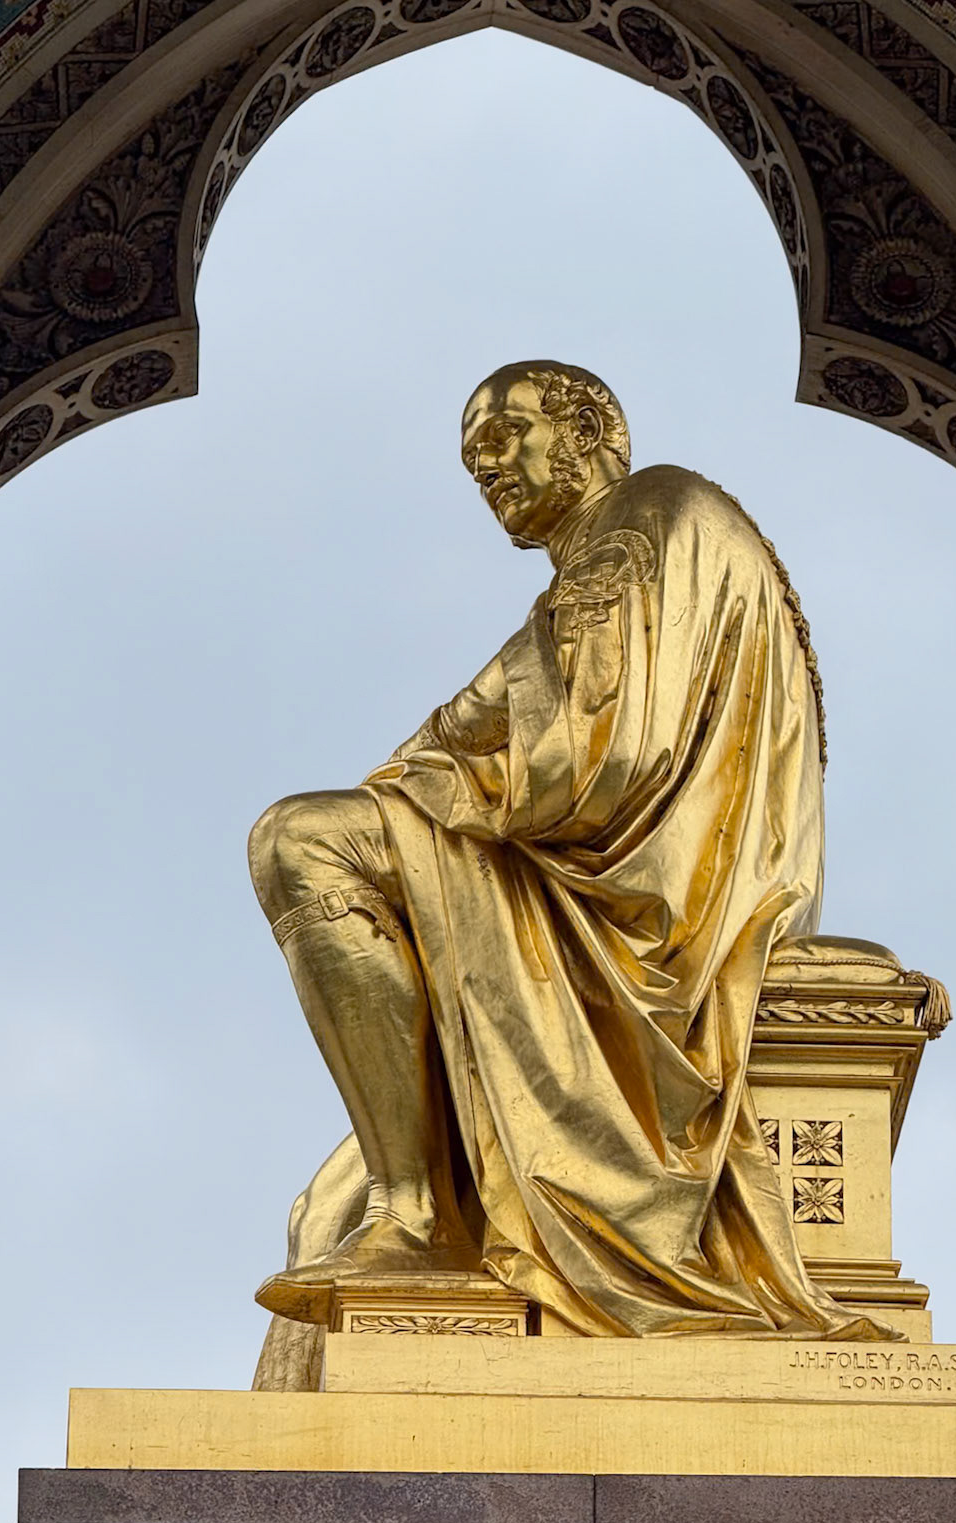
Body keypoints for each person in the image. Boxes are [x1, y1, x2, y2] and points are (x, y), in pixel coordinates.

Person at [248, 361, 888, 1358]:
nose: (485, 467)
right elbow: (447, 739)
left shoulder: (644, 522)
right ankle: (400, 1204)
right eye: (471, 456)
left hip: (642, 901)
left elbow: (608, 758)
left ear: (591, 430)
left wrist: (443, 791)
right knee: (320, 1208)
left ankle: (414, 1218)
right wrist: (435, 780)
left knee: (303, 842)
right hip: (594, 880)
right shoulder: (600, 565)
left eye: (503, 436)